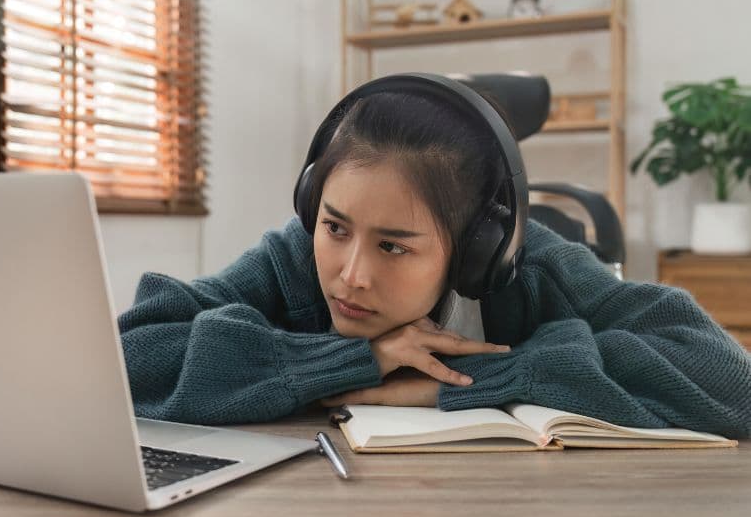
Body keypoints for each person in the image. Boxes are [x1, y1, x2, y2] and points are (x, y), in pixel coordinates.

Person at [117, 75, 751, 438]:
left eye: (394, 245)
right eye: (335, 227)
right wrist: (351, 360)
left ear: (475, 248)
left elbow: (732, 382)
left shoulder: (528, 268)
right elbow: (127, 357)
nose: (352, 273)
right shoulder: (293, 257)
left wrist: (460, 384)